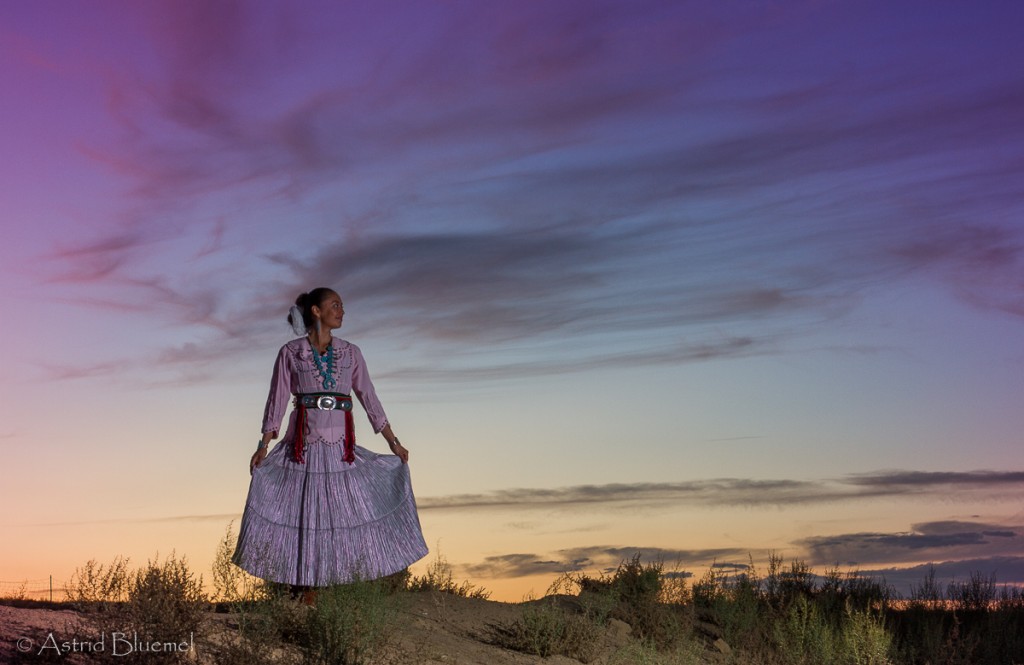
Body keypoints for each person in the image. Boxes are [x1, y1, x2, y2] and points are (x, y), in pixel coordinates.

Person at [232, 287, 428, 597]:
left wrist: (393, 441)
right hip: (304, 448)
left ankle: (342, 585)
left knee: (343, 515)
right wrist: (263, 444)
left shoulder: (351, 353)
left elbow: (369, 398)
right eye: (335, 305)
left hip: (340, 449)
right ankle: (303, 587)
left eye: (342, 306)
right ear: (316, 311)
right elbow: (277, 400)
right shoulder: (291, 352)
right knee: (304, 515)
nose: (342, 311)